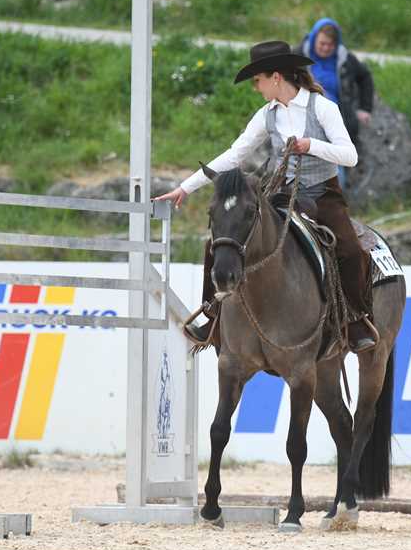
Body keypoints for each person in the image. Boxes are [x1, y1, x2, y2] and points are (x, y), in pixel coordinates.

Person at [155, 41, 376, 353]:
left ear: (276, 77)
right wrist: (185, 188)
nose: (256, 87)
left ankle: (354, 319)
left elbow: (350, 156)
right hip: (281, 193)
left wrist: (310, 145)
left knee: (350, 250)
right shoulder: (266, 115)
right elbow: (236, 154)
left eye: (257, 80)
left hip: (323, 194)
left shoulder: (323, 108)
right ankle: (213, 316)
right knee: (221, 240)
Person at [299, 18, 373, 189]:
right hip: (305, 120)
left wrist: (365, 108)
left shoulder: (345, 59)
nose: (326, 48)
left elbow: (365, 77)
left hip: (336, 122)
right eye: (322, 43)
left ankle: (336, 199)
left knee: (335, 170)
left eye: (330, 45)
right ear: (313, 39)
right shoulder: (298, 56)